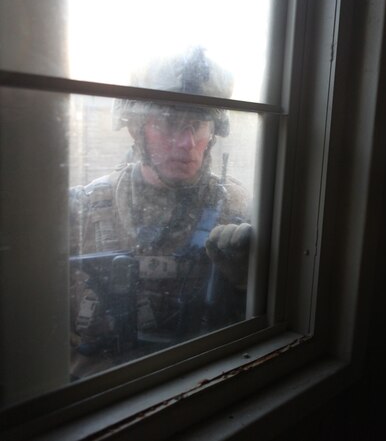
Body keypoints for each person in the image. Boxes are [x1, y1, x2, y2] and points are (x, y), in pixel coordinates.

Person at [69, 47, 252, 379]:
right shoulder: (83, 210)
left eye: (197, 125)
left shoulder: (236, 208)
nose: (185, 142)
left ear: (212, 134)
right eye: (168, 123)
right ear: (136, 129)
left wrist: (246, 281)